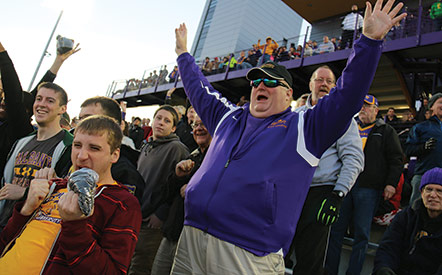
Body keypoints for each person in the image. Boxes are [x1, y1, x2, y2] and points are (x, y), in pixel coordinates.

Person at [172, 1, 406, 273]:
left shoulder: (304, 127)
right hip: (190, 236)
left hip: (246, 253)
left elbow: (347, 97)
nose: (261, 85)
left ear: (288, 95)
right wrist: (183, 55)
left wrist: (369, 42)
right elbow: (199, 90)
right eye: (256, 81)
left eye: (271, 82)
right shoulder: (227, 118)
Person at [0, 115, 141, 274]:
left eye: (94, 148)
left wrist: (75, 225)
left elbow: (111, 271)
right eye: (77, 145)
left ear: (114, 155)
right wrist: (25, 209)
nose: (81, 156)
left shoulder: (122, 203)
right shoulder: (53, 187)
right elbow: (5, 241)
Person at [289, 66, 364, 274]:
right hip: (290, 192)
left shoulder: (342, 117)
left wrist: (338, 194)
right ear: (310, 84)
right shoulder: (295, 117)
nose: (323, 84)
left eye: (329, 81)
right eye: (319, 79)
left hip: (321, 192)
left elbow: (354, 158)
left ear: (334, 87)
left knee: (309, 261)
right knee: (274, 253)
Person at [326, 95, 404, 275]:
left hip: (369, 188)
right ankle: (330, 271)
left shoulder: (385, 130)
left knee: (361, 234)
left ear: (376, 110)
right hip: (345, 185)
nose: (363, 109)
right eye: (361, 105)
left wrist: (391, 184)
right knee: (336, 230)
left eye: (368, 106)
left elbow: (396, 159)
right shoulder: (348, 126)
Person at [0, 40, 78, 181]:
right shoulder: (21, 139)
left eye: (7, 104)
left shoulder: (18, 130)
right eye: (39, 100)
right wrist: (58, 61)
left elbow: (13, 92)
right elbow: (41, 92)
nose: (2, 105)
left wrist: (2, 54)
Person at [0, 82, 73, 229]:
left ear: (62, 109)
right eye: (39, 99)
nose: (42, 104)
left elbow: (65, 193)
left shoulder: (69, 147)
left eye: (50, 101)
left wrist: (24, 192)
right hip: (4, 220)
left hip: (31, 228)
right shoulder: (21, 142)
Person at [129, 105, 188, 275]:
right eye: (158, 118)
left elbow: (179, 185)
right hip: (137, 216)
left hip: (153, 222)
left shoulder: (177, 149)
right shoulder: (147, 145)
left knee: (141, 267)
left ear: (174, 128)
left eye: (167, 121)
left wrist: (161, 214)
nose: (161, 123)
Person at [151, 114, 212, 275]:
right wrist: (177, 176)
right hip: (173, 233)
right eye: (195, 125)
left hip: (198, 241)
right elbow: (167, 195)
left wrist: (195, 191)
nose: (198, 128)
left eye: (203, 124)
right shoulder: (192, 156)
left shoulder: (221, 160)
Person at [373, 167, 442, 275]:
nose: (433, 195)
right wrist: (384, 269)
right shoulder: (406, 216)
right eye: (428, 189)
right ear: (421, 192)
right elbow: (388, 247)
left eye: (439, 191)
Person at [78, 96, 146, 204]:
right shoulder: (73, 157)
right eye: (80, 119)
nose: (81, 126)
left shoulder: (127, 176)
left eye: (91, 120)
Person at [405, 93, 442, 204]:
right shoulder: (420, 127)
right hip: (424, 175)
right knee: (416, 211)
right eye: (440, 102)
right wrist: (423, 147)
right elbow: (408, 150)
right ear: (431, 107)